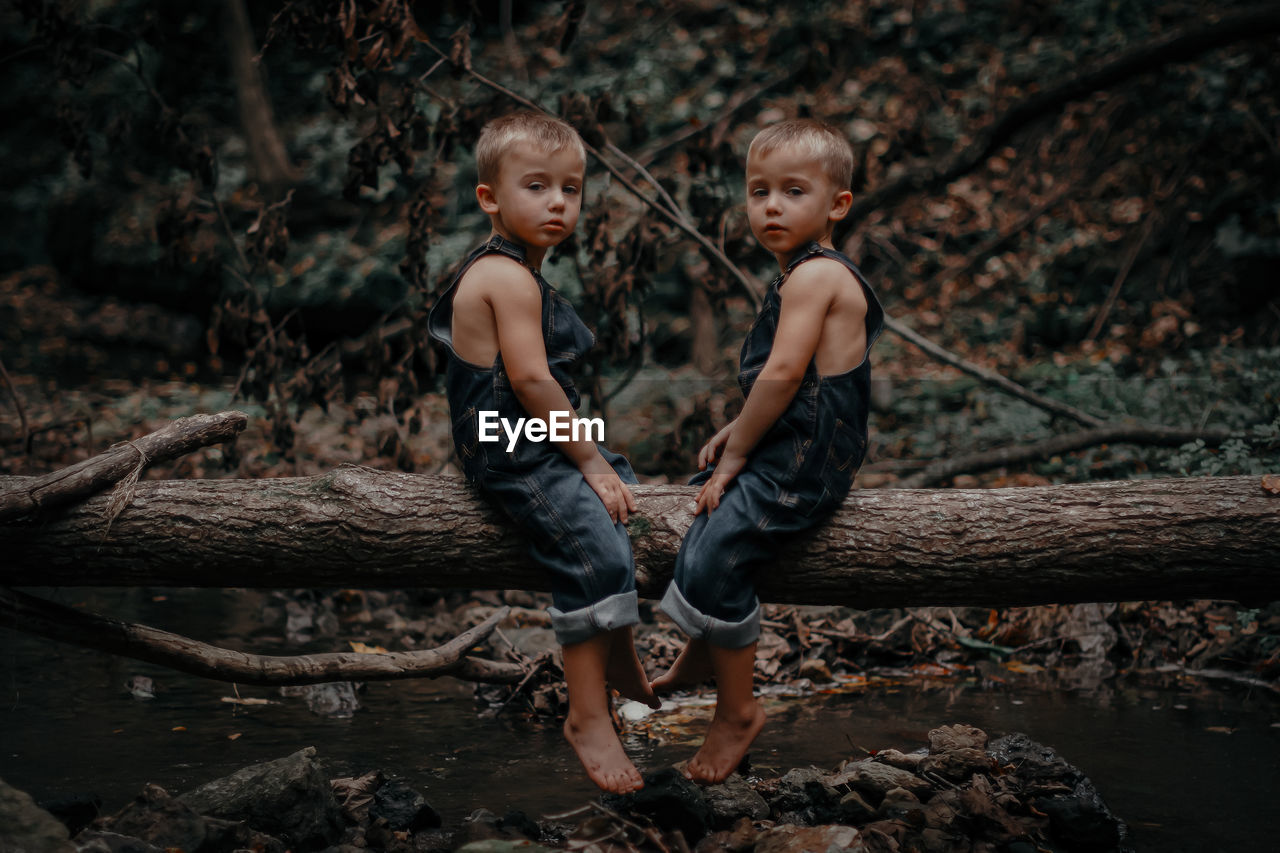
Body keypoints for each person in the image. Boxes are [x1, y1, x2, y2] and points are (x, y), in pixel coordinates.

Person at [427, 111, 658, 794]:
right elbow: (528, 379)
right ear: (490, 198)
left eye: (571, 189)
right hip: (506, 447)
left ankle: (616, 649)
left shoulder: (518, 268)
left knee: (625, 489)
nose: (558, 202)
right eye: (536, 186)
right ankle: (587, 713)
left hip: (526, 435)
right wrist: (583, 460)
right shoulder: (505, 277)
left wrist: (597, 460)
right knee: (594, 546)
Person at [651, 118, 885, 783]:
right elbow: (781, 382)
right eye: (758, 192)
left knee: (723, 548)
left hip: (807, 459)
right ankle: (704, 644)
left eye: (792, 191)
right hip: (792, 441)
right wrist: (737, 430)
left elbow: (784, 376)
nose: (771, 206)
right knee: (701, 532)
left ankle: (737, 711)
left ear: (837, 204)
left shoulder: (817, 277)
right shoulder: (799, 275)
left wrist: (734, 462)